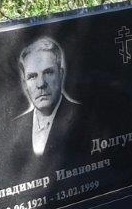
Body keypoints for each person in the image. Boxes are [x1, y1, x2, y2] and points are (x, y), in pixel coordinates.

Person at [7, 37, 85, 172]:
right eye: (32, 76)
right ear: (25, 84)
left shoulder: (84, 117)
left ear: (61, 75)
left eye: (48, 72)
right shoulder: (13, 128)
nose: (41, 84)